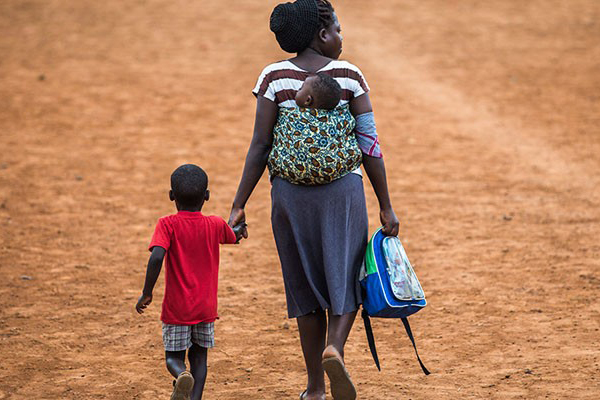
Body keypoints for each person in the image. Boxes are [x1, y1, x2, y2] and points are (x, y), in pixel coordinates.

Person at [228, 1, 399, 399]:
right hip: (343, 193)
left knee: (304, 291)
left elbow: (260, 145)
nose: (342, 36)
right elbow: (369, 144)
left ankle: (314, 390)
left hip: (289, 197)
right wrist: (386, 205)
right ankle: (334, 349)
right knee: (348, 281)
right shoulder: (350, 75)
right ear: (323, 35)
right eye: (338, 28)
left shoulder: (274, 77)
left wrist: (239, 203)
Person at [135, 164, 245, 400]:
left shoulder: (167, 224)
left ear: (171, 196)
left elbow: (156, 256)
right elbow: (232, 235)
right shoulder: (214, 224)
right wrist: (240, 228)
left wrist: (147, 292)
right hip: (205, 307)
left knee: (173, 357)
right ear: (207, 196)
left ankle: (181, 374)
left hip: (177, 308)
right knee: (200, 358)